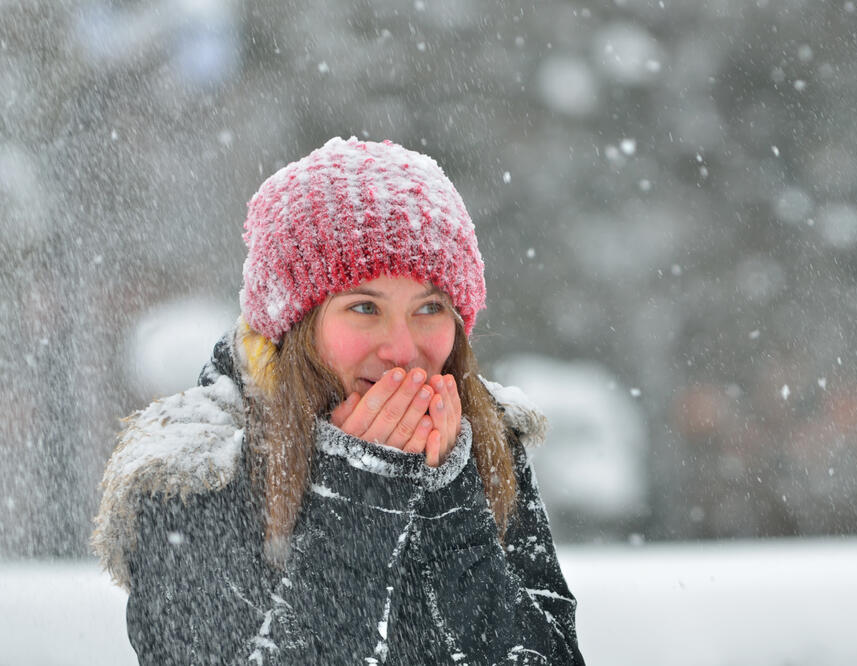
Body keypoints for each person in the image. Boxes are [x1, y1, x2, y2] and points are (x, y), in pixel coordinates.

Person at [92, 137, 586, 665]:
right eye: (365, 307)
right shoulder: (197, 472)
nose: (403, 350)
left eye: (430, 307)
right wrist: (360, 495)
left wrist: (451, 504)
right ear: (295, 326)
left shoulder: (482, 442)